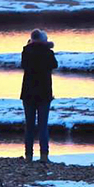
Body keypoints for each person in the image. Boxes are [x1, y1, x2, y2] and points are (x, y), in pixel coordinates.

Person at [21, 28, 58, 163]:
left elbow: (24, 65)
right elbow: (55, 65)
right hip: (44, 93)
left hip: (27, 94)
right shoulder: (47, 53)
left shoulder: (26, 52)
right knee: (43, 125)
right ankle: (44, 155)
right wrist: (47, 47)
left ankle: (28, 156)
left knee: (29, 126)